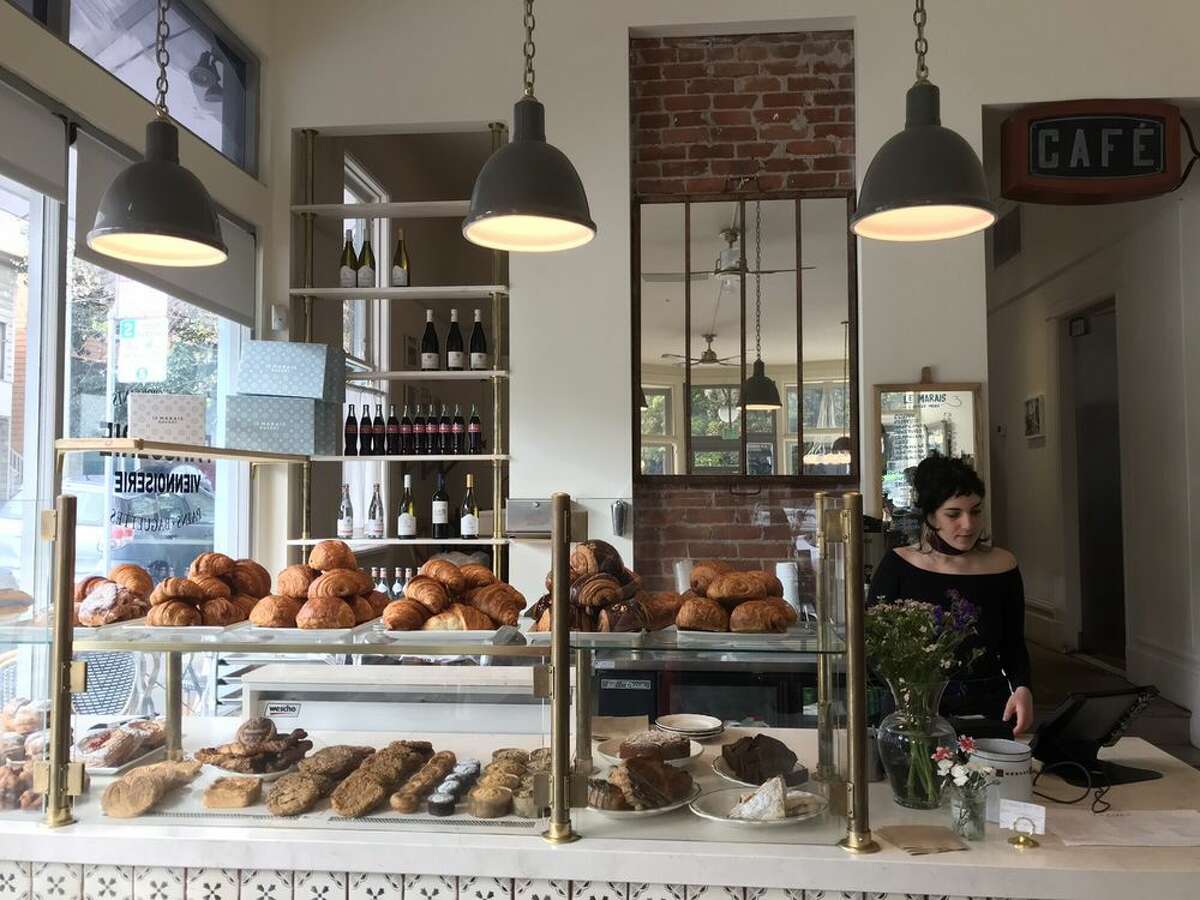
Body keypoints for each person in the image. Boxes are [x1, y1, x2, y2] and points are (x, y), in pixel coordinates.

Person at [868, 454, 1034, 734]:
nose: (968, 524)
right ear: (931, 515)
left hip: (988, 706)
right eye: (953, 514)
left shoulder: (1003, 565)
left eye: (976, 511)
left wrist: (1022, 687)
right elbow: (874, 647)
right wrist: (903, 690)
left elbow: (1013, 642)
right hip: (913, 710)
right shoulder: (897, 566)